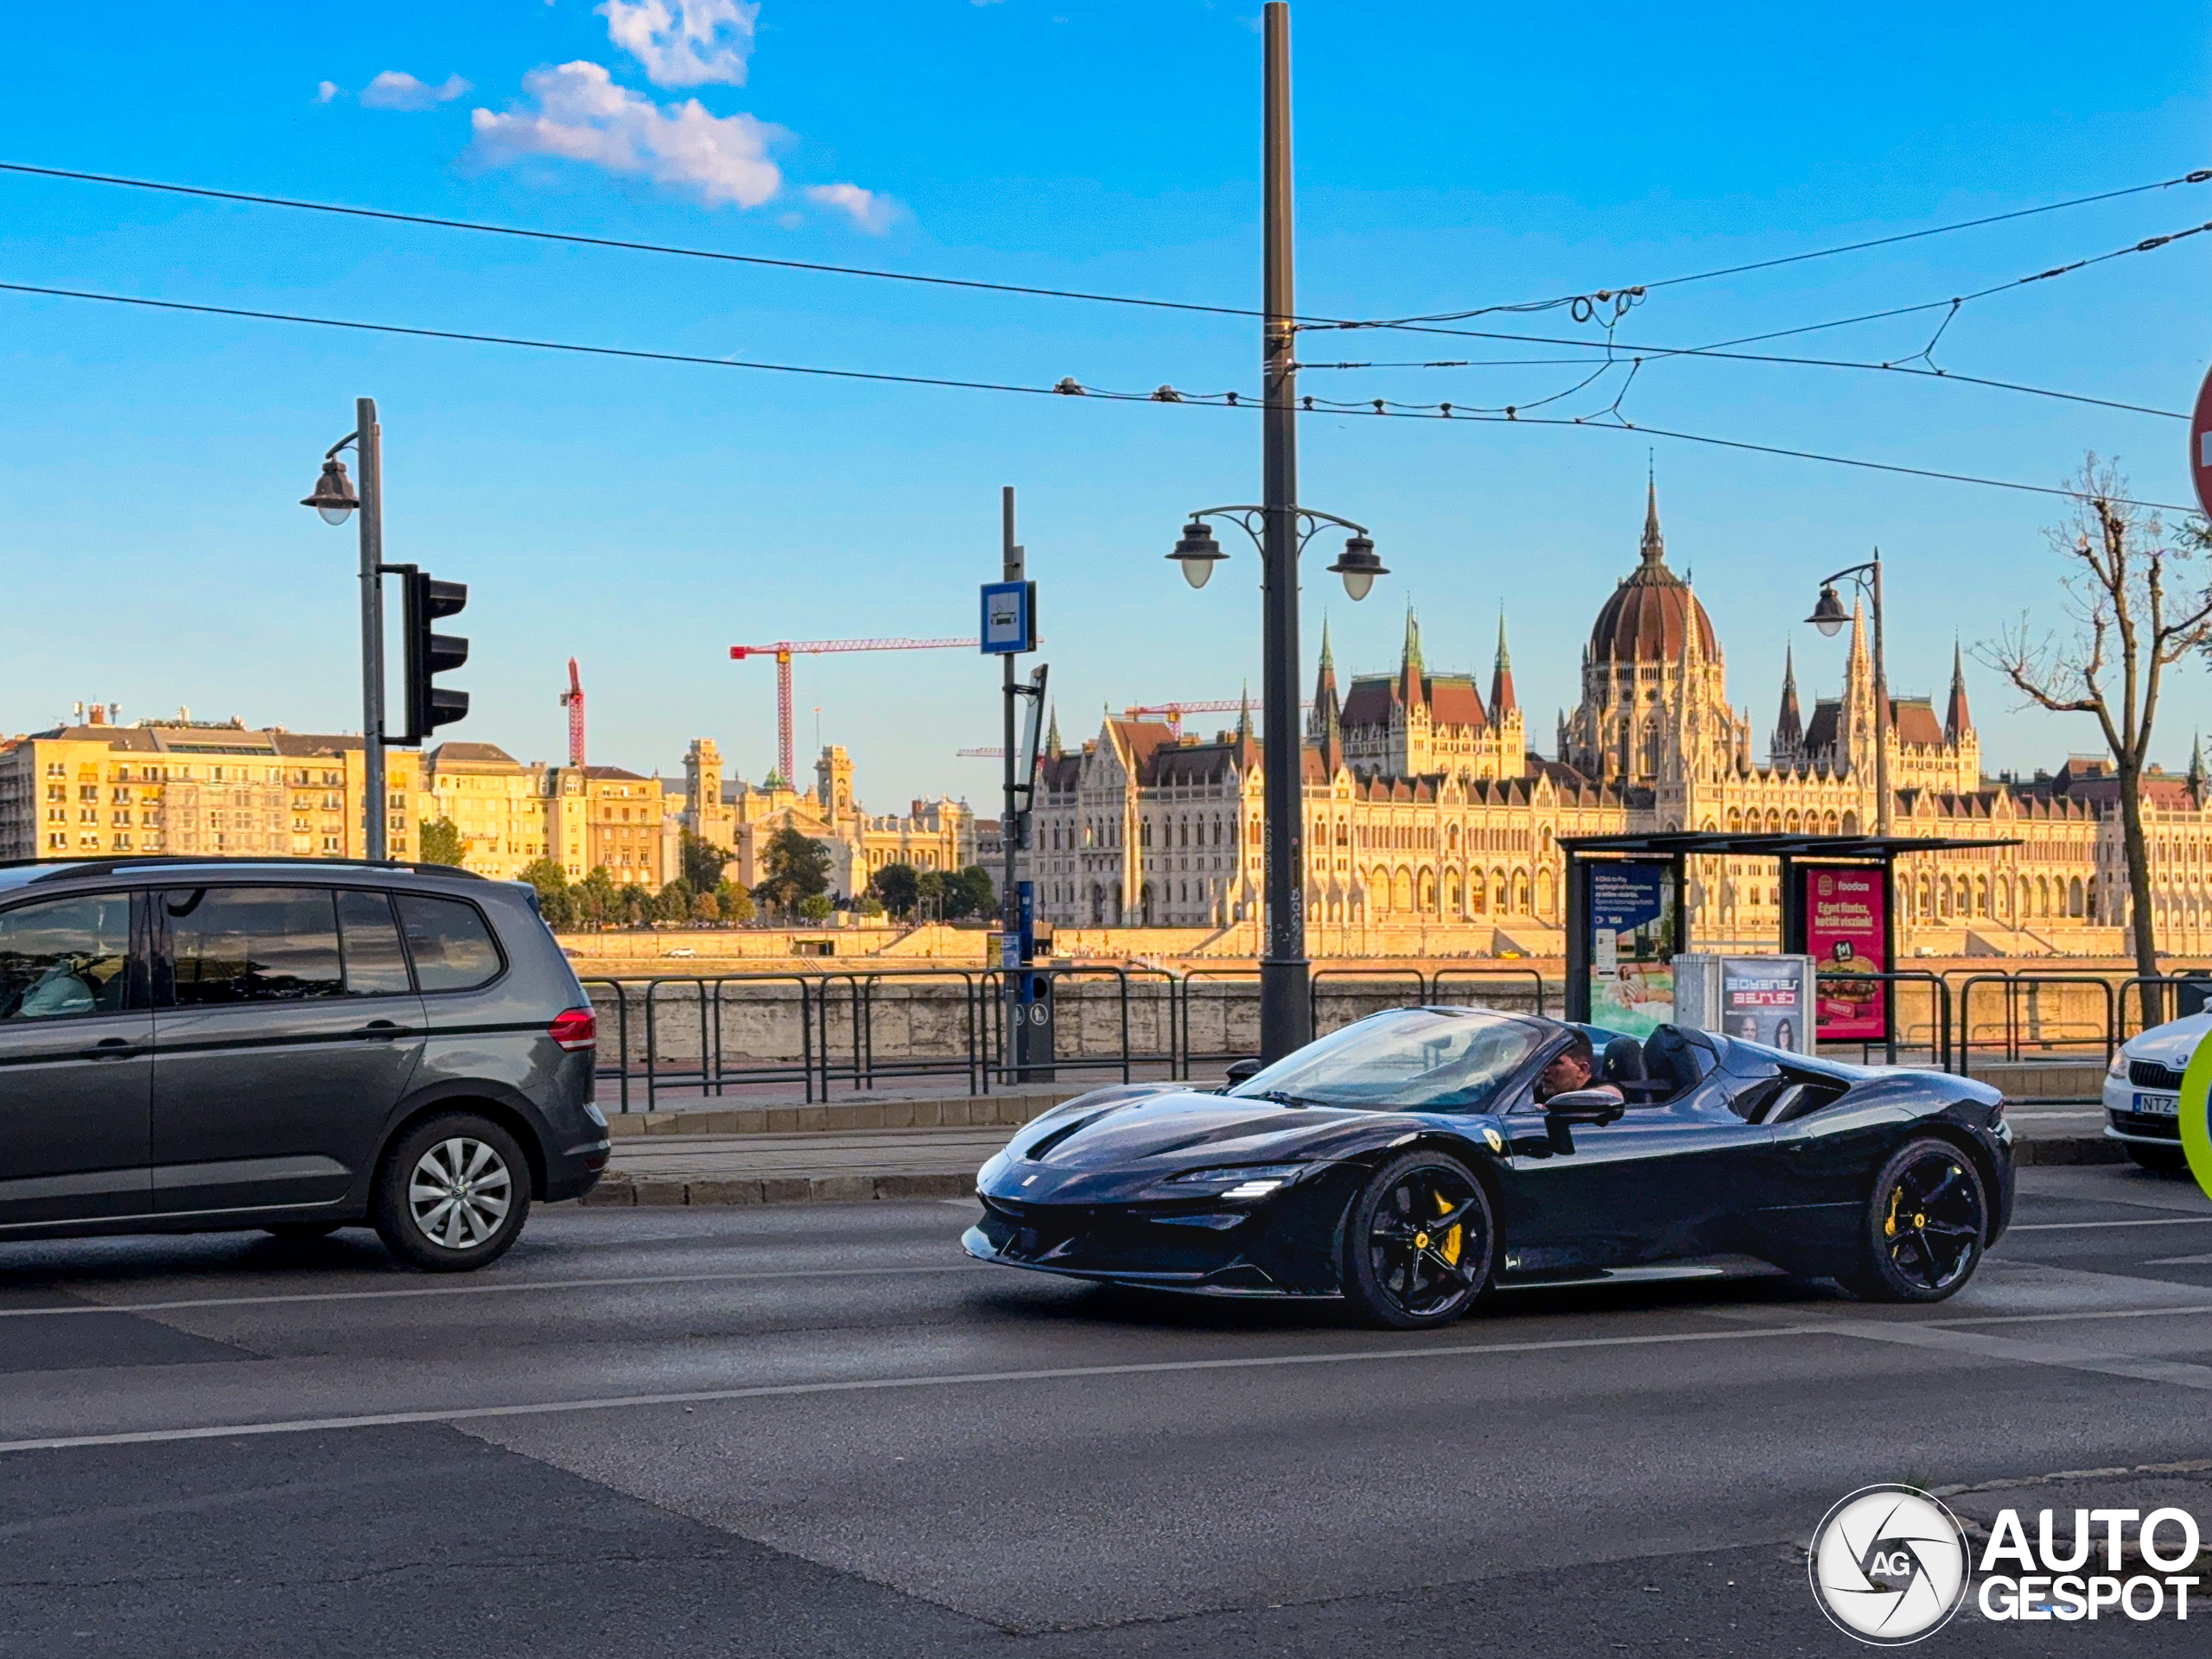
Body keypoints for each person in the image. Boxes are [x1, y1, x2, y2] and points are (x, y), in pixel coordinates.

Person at [1534, 1028, 1625, 1105]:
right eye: (1544, 1061)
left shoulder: (1601, 1089)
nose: (1545, 1070)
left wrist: (1557, 1107)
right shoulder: (1544, 1090)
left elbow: (1612, 1095)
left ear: (1582, 1069)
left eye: (1555, 1063)